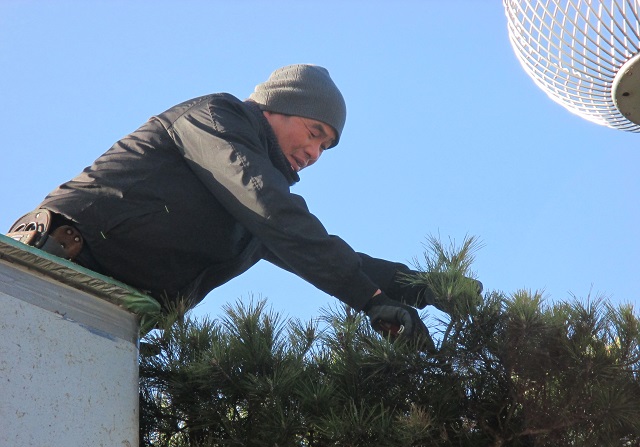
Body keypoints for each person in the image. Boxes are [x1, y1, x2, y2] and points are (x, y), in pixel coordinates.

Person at [7, 64, 478, 351]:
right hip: (48, 270)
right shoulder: (217, 118)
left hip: (111, 317)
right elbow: (272, 208)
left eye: (326, 147)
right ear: (275, 107)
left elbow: (311, 247)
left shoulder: (253, 213)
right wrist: (370, 301)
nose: (315, 154)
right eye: (314, 133)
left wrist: (420, 287)